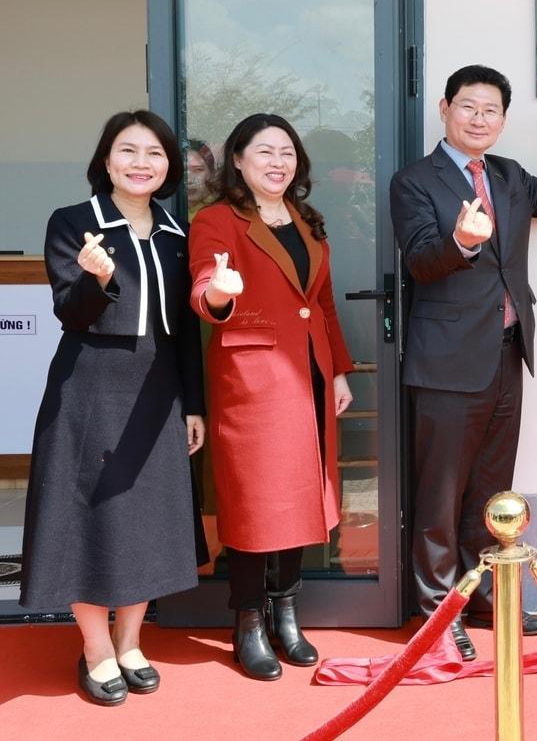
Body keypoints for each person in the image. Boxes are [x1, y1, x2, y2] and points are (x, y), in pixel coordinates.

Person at [390, 67, 537, 660]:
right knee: (439, 493)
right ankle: (436, 613)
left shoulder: (508, 177)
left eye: (490, 110)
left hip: (508, 353)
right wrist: (460, 242)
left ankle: (481, 596)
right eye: (468, 107)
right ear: (444, 109)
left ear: (503, 120)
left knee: (489, 488)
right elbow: (419, 263)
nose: (478, 118)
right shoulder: (413, 181)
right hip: (445, 362)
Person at [20, 110, 205, 706]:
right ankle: (96, 648)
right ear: (106, 160)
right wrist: (95, 279)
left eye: (154, 154)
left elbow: (186, 335)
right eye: (128, 151)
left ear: (169, 166)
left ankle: (130, 641)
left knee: (146, 520)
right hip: (89, 388)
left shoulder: (179, 234)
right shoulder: (76, 224)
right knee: (89, 515)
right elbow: (71, 314)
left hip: (159, 391)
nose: (141, 163)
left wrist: (194, 406)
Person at [189, 113, 354, 681]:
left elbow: (323, 303)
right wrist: (218, 294)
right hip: (253, 382)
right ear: (238, 159)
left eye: (287, 152)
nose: (278, 162)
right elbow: (205, 289)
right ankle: (249, 623)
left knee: (300, 496)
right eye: (264, 151)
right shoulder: (217, 219)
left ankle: (288, 614)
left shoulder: (307, 220)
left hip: (309, 372)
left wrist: (339, 372)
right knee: (257, 501)